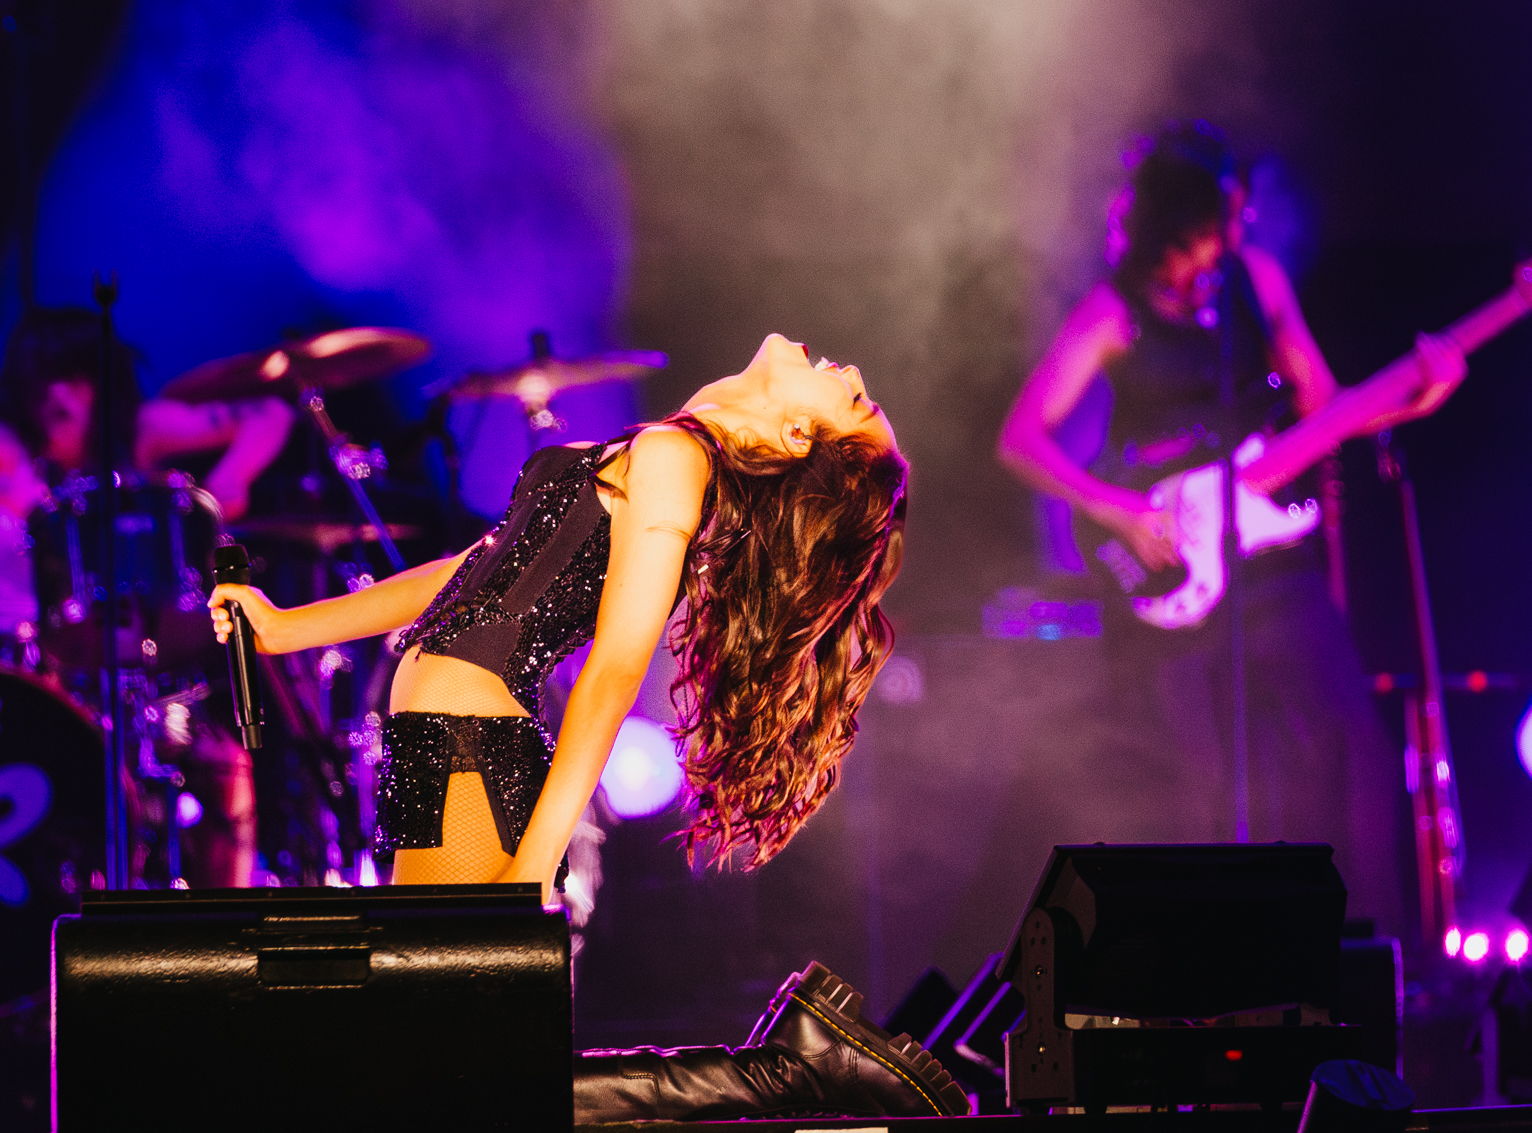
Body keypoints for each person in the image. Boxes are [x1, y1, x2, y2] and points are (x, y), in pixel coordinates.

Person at [211, 334, 965, 1119]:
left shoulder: (675, 460)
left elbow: (614, 672)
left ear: (797, 434)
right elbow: (477, 569)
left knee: (447, 1078)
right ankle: (793, 1064)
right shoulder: (662, 449)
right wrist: (284, 628)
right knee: (457, 1071)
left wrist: (534, 866)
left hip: (468, 743)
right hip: (441, 738)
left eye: (854, 400)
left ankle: (788, 1070)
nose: (852, 370)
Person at [996, 122, 1468, 936]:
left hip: (1269, 560)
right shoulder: (1113, 314)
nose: (1216, 247)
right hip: (1166, 571)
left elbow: (1325, 411)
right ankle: (1203, 965)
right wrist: (1118, 510)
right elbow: (1022, 438)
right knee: (1196, 780)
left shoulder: (1256, 282)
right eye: (1200, 234)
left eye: (1227, 226)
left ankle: (1368, 950)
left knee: (1348, 742)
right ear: (1163, 229)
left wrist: (1415, 399)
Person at [0, 306, 294, 889]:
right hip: (24, 664)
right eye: (44, 380)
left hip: (136, 663)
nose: (58, 395)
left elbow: (272, 413)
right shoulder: (2, 440)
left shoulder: (140, 430)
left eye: (74, 377)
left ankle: (224, 912)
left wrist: (232, 480)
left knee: (223, 762)